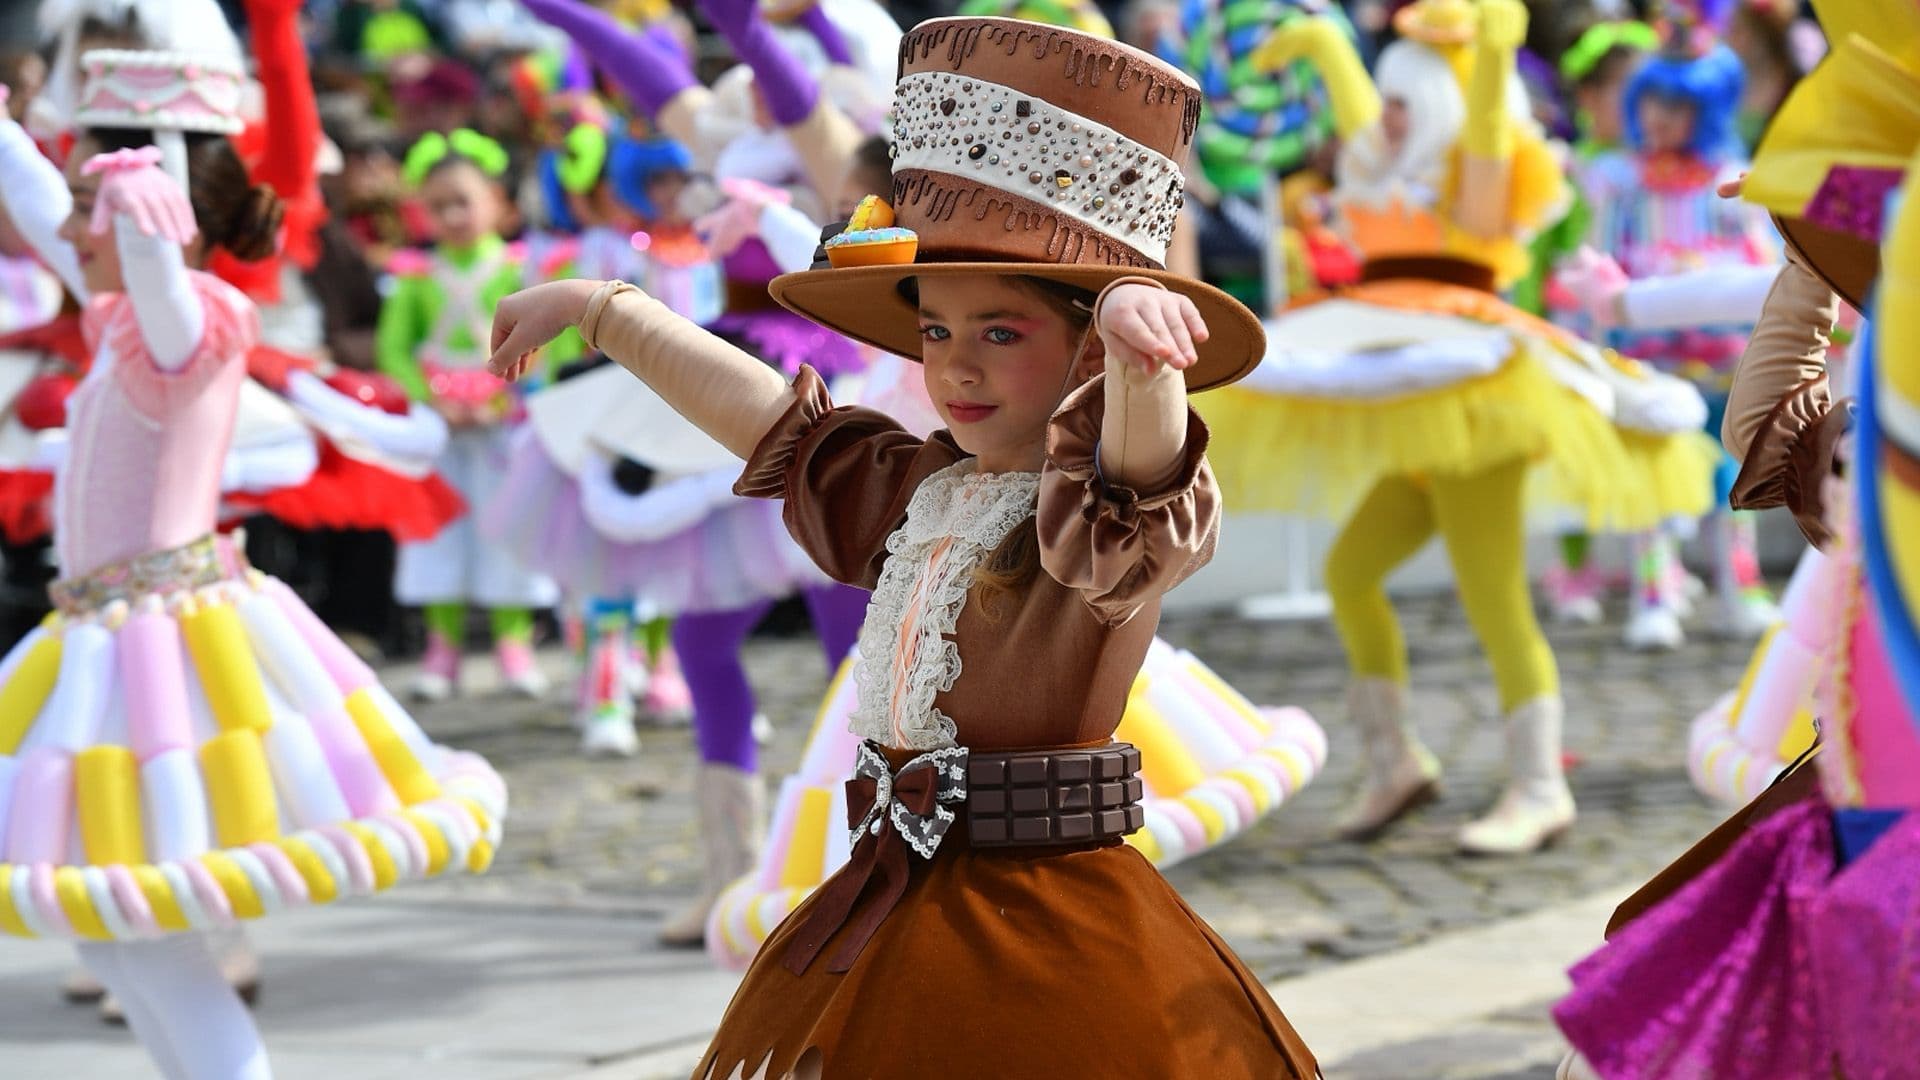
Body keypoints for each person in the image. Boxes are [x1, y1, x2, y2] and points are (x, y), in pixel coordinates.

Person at [487, 15, 1318, 1075]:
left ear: (1084, 352)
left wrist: (1141, 357)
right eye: (935, 331)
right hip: (892, 894)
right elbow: (774, 425)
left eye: (1000, 333)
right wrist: (606, 311)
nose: (956, 368)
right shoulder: (924, 492)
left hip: (1048, 927)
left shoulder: (1101, 520)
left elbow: (1144, 467)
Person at [0, 47, 506, 1080]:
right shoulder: (119, 322)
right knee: (110, 926)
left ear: (151, 220)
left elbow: (149, 267)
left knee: (148, 920)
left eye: (92, 203)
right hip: (96, 639)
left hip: (166, 648)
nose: (66, 228)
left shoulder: (193, 327)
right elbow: (50, 209)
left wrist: (140, 202)